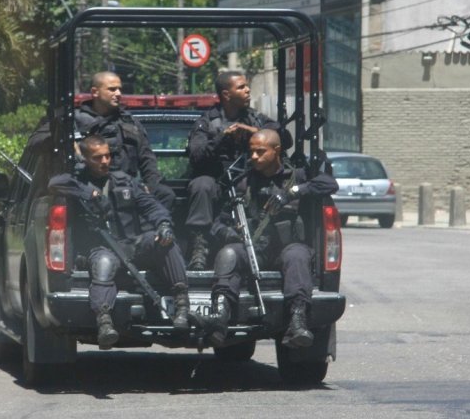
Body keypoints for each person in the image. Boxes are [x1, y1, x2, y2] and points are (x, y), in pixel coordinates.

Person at [197, 129, 338, 349]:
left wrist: (292, 192)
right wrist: (229, 233)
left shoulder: (297, 176)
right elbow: (217, 223)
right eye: (251, 152)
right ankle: (220, 316)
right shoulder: (243, 183)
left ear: (277, 151)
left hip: (286, 248)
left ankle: (297, 321)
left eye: (260, 152)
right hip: (253, 249)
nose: (254, 157)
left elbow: (330, 184)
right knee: (229, 254)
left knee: (298, 256)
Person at [48, 135, 192, 350]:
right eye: (98, 157)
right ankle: (104, 323)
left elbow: (152, 206)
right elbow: (54, 183)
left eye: (107, 156)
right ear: (85, 159)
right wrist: (89, 193)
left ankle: (181, 306)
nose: (105, 161)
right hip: (101, 249)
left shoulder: (124, 181)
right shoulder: (77, 181)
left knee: (165, 242)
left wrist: (163, 225)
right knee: (104, 263)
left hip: (131, 244)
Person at [184, 71, 291, 270]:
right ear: (226, 94)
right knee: (201, 184)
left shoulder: (256, 119)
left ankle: (268, 247)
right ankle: (200, 248)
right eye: (241, 87)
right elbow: (196, 156)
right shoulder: (206, 122)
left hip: (249, 183)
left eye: (247, 85)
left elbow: (285, 140)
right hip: (218, 184)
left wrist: (255, 134)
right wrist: (222, 138)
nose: (247, 90)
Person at [74, 71, 175, 210]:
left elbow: (147, 159)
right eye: (112, 89)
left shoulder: (130, 122)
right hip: (91, 187)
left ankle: (156, 231)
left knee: (165, 194)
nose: (118, 93)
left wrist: (151, 187)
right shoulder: (74, 121)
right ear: (95, 92)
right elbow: (38, 140)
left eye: (120, 89)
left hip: (129, 186)